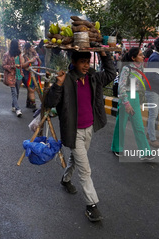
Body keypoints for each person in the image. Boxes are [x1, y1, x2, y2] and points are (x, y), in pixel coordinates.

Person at [45, 51, 115, 222]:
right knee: (85, 169)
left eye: (88, 61)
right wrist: (57, 85)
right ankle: (91, 206)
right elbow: (49, 103)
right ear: (73, 62)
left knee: (77, 159)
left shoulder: (93, 77)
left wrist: (104, 55)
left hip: (89, 128)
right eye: (82, 62)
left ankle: (65, 179)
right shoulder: (66, 80)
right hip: (73, 131)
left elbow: (111, 74)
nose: (86, 65)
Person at [111, 47, 153, 156]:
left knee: (139, 126)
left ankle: (145, 152)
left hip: (135, 97)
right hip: (126, 97)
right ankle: (117, 147)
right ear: (133, 58)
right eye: (140, 55)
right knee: (121, 124)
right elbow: (121, 87)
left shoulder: (141, 68)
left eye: (142, 54)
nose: (143, 56)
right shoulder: (127, 69)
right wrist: (126, 103)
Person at [145, 37, 159, 148]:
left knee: (154, 113)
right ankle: (152, 139)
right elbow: (152, 76)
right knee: (153, 114)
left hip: (156, 89)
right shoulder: (156, 58)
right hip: (153, 89)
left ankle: (150, 133)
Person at [2, 39, 24, 117]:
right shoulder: (7, 55)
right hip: (11, 76)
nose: (19, 45)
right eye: (18, 44)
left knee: (17, 93)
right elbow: (3, 65)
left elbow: (22, 64)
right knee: (14, 93)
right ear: (15, 45)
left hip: (19, 76)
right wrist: (13, 66)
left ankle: (13, 106)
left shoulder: (19, 54)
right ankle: (18, 109)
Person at [22, 42, 41, 110]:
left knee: (31, 89)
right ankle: (33, 104)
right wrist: (30, 61)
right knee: (31, 89)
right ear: (29, 48)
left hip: (35, 73)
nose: (33, 48)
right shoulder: (24, 56)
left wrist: (37, 57)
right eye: (32, 47)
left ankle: (28, 103)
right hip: (28, 73)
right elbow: (23, 66)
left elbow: (40, 63)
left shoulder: (35, 54)